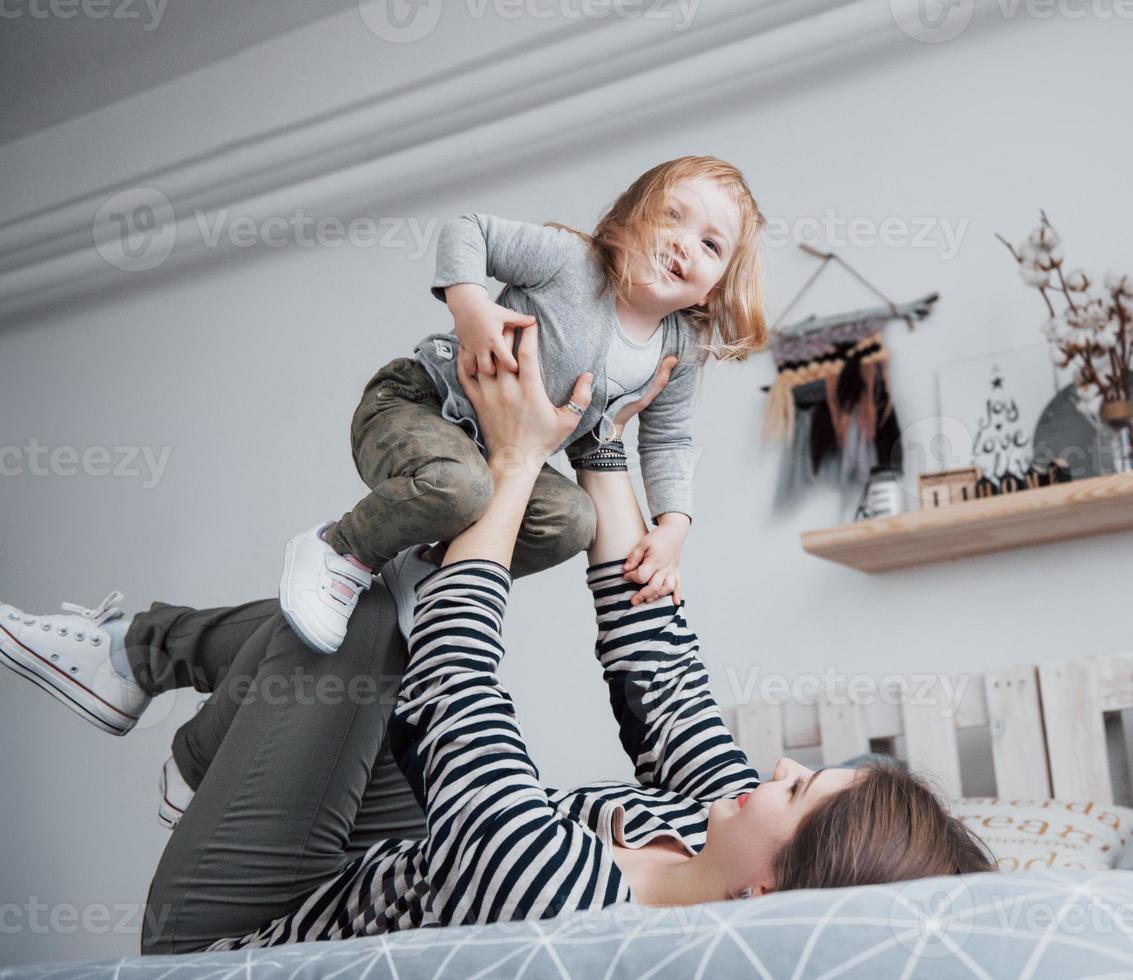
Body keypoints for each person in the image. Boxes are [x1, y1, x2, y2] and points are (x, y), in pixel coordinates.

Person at [0, 322, 992, 955]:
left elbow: (457, 689)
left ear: (769, 889)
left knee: (383, 604)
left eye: (797, 789)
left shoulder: (564, 905)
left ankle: (178, 709)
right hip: (379, 855)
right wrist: (606, 430)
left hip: (237, 921)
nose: (777, 765)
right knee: (358, 600)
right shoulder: (704, 831)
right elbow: (660, 668)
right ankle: (154, 680)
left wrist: (515, 459)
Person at [277, 155, 770, 655]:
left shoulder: (677, 347)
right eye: (671, 215)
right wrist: (469, 305)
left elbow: (669, 440)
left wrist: (673, 528)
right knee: (458, 485)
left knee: (574, 521)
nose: (684, 242)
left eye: (710, 244)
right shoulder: (571, 262)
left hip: (501, 456)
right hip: (421, 403)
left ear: (718, 286)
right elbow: (469, 231)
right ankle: (342, 548)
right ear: (625, 219)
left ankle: (431, 569)